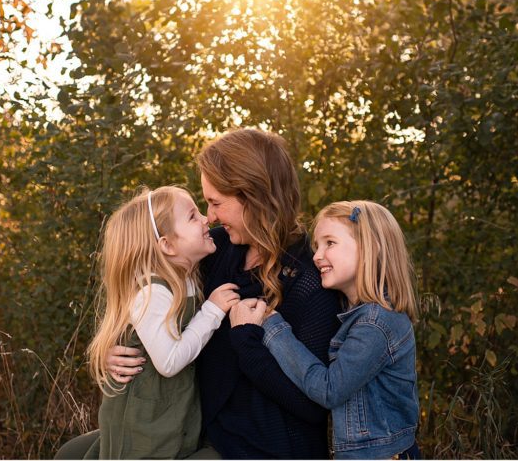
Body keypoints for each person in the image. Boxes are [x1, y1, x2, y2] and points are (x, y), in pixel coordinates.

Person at [58, 129, 343, 459]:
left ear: (254, 197)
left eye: (216, 203)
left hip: (254, 445)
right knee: (71, 454)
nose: (210, 217)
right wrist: (121, 347)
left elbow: (312, 406)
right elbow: (151, 288)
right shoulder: (218, 249)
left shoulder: (309, 281)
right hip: (192, 424)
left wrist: (247, 341)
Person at [247, 200, 420, 459]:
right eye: (316, 246)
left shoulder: (375, 323)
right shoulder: (355, 314)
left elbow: (329, 390)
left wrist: (273, 327)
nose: (317, 256)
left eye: (330, 243)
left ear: (370, 247)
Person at [84, 186, 240, 459]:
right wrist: (212, 311)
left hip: (167, 419)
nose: (206, 219)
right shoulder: (153, 291)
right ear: (167, 245)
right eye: (193, 216)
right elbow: (169, 362)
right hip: (142, 427)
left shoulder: (187, 276)